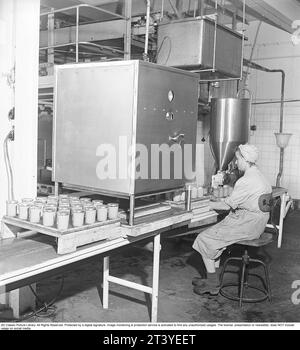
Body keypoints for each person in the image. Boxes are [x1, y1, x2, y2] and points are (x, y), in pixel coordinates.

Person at [192, 143, 272, 296]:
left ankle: (213, 283)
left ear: (245, 159)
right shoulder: (259, 176)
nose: (236, 162)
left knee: (204, 238)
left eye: (238, 159)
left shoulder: (246, 180)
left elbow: (226, 206)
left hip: (247, 224)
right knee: (216, 239)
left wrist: (206, 204)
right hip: (258, 223)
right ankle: (212, 277)